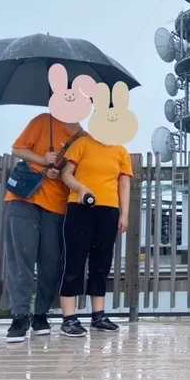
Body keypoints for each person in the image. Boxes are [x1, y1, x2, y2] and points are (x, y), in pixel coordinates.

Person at [4, 113, 82, 343]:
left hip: (57, 204)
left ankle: (40, 314)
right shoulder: (43, 121)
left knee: (51, 262)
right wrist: (41, 158)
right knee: (21, 260)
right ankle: (19, 316)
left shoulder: (82, 137)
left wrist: (57, 172)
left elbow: (77, 173)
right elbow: (17, 149)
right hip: (23, 199)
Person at [58, 133, 132, 337]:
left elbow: (124, 185)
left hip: (109, 210)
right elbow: (66, 174)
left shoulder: (121, 150)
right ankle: (69, 318)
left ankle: (98, 315)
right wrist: (81, 188)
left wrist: (124, 214)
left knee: (101, 262)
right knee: (74, 259)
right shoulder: (82, 143)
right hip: (80, 206)